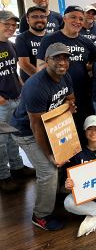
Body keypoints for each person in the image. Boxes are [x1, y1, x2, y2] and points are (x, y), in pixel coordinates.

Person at [10, 43, 76, 230]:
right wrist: (49, 155)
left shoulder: (65, 76)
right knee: (48, 170)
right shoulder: (35, 86)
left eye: (65, 58)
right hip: (26, 132)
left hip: (50, 126)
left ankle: (55, 195)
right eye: (57, 58)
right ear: (46, 61)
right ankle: (40, 215)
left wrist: (70, 105)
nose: (62, 62)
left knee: (64, 158)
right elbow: (35, 126)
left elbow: (70, 98)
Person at [36, 6, 96, 134]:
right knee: (62, 132)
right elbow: (40, 66)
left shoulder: (87, 42)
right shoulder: (49, 39)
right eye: (73, 17)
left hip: (82, 95)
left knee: (82, 129)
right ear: (64, 18)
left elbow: (92, 64)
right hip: (59, 96)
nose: (77, 21)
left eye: (81, 18)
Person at [0, 10, 34, 193]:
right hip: (2, 103)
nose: (11, 28)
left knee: (13, 138)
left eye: (13, 25)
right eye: (6, 24)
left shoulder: (11, 45)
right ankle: (3, 176)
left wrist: (22, 89)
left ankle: (17, 168)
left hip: (15, 98)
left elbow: (13, 72)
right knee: (0, 142)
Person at [15, 6, 47, 83]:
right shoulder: (21, 38)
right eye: (34, 17)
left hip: (52, 82)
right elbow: (24, 64)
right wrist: (44, 80)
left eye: (42, 16)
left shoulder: (51, 37)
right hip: (32, 83)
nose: (39, 19)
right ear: (27, 20)